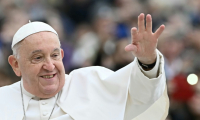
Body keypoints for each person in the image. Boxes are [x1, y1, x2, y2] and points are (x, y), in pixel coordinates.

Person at [0, 13, 169, 120]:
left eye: (54, 55)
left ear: (62, 56)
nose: (50, 66)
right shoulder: (3, 100)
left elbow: (141, 95)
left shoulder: (91, 81)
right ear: (16, 65)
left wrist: (148, 60)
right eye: (38, 58)